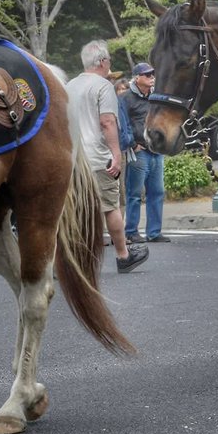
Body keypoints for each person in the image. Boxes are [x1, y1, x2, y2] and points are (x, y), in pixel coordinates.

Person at [66, 41, 149, 273]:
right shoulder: (103, 86)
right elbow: (107, 122)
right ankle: (123, 255)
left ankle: (73, 257)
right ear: (102, 62)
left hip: (72, 157)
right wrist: (115, 154)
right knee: (110, 206)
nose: (109, 63)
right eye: (109, 60)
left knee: (76, 210)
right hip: (97, 157)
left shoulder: (69, 85)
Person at [122, 62, 169, 243]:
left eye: (152, 74)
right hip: (139, 150)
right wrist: (132, 144)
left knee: (157, 192)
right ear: (137, 78)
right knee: (134, 194)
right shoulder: (126, 98)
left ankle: (154, 232)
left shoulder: (157, 97)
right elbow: (122, 123)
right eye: (147, 75)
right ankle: (131, 232)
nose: (151, 77)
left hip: (156, 150)